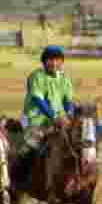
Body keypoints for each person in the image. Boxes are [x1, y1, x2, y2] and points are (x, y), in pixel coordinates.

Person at [12, 45, 75, 186]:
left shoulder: (65, 80)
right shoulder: (37, 77)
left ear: (62, 62)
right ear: (44, 61)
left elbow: (68, 101)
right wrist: (54, 117)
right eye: (50, 60)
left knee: (76, 143)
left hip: (59, 121)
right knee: (31, 146)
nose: (53, 63)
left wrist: (68, 115)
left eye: (57, 60)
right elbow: (38, 99)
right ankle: (20, 179)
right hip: (35, 120)